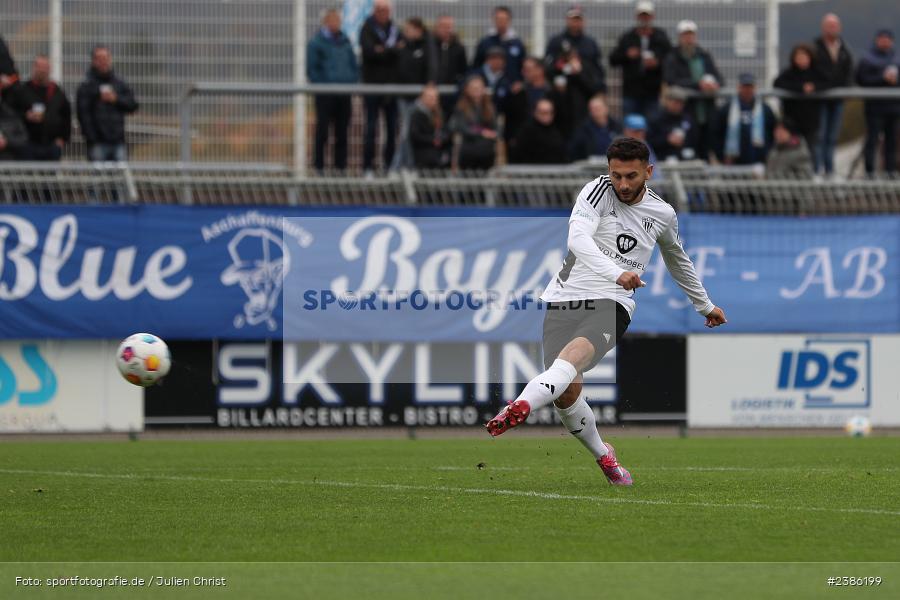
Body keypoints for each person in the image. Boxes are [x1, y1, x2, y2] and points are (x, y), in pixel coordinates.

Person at [485, 137, 727, 486]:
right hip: (565, 297)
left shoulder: (662, 213)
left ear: (648, 172)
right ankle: (604, 455)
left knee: (571, 359)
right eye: (616, 175)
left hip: (613, 301)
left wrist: (704, 304)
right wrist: (617, 271)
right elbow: (577, 239)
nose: (622, 184)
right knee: (566, 392)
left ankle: (519, 406)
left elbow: (677, 260)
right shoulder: (596, 191)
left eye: (631, 176)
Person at [307, 8, 358, 172]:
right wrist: (324, 85)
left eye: (338, 20)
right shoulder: (316, 43)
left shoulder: (346, 42)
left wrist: (350, 82)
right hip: (325, 95)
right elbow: (312, 70)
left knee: (342, 133)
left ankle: (340, 169)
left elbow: (354, 66)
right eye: (332, 20)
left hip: (344, 94)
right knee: (322, 131)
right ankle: (319, 168)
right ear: (325, 22)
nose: (336, 23)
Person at [663, 20, 722, 159]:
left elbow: (718, 77)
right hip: (686, 110)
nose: (688, 38)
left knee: (706, 147)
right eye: (685, 35)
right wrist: (697, 85)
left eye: (691, 35)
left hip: (706, 110)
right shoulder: (672, 57)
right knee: (688, 147)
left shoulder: (704, 56)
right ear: (679, 37)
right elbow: (671, 80)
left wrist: (714, 84)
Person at [359, 0, 401, 173]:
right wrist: (390, 50)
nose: (383, 12)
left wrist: (382, 50)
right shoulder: (367, 28)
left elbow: (400, 51)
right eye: (379, 9)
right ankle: (367, 168)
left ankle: (389, 167)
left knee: (392, 129)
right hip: (372, 87)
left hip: (391, 88)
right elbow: (369, 52)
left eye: (385, 9)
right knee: (371, 128)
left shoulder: (395, 29)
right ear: (374, 10)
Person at [609, 1, 671, 118]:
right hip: (631, 93)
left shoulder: (661, 37)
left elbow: (670, 58)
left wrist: (657, 62)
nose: (644, 19)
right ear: (637, 17)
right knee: (630, 125)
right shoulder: (628, 37)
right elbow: (613, 59)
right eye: (642, 15)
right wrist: (627, 55)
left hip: (652, 93)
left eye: (647, 16)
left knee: (652, 124)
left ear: (652, 17)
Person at [76, 46, 138, 161]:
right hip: (97, 144)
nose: (103, 61)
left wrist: (116, 99)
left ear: (110, 59)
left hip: (118, 141)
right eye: (99, 58)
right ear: (93, 61)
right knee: (99, 173)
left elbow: (133, 105)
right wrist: (92, 138)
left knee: (120, 172)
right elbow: (83, 115)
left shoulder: (119, 83)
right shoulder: (86, 86)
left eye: (105, 58)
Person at [391, 17, 438, 170]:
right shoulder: (402, 45)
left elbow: (431, 65)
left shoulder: (426, 44)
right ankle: (402, 167)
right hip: (404, 97)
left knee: (408, 134)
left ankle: (399, 168)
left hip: (418, 98)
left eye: (409, 29)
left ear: (418, 30)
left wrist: (429, 85)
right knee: (405, 134)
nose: (406, 32)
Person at [813, 13, 853, 176]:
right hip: (820, 99)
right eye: (829, 25)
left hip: (837, 100)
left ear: (840, 28)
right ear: (823, 28)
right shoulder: (815, 48)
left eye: (834, 25)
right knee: (820, 136)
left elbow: (849, 72)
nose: (832, 28)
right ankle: (817, 170)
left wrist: (846, 89)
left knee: (832, 137)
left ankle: (830, 171)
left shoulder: (845, 49)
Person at [11, 55, 71, 161]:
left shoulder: (57, 92)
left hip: (52, 145)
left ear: (50, 69)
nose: (42, 70)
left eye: (45, 67)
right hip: (27, 145)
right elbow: (11, 114)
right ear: (33, 68)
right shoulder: (22, 91)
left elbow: (66, 116)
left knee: (50, 172)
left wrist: (63, 139)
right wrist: (26, 116)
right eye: (39, 66)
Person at [856, 29, 899, 176]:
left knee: (892, 141)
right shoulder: (867, 59)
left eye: (888, 39)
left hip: (894, 108)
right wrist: (882, 79)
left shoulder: (896, 59)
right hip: (875, 108)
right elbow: (861, 80)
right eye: (882, 39)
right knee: (872, 140)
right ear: (877, 40)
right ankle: (870, 172)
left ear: (892, 41)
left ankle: (890, 171)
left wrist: (894, 81)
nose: (885, 42)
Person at [773, 44, 827, 158]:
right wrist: (801, 88)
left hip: (812, 122)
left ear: (810, 57)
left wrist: (814, 87)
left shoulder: (817, 72)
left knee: (812, 152)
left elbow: (828, 83)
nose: (802, 59)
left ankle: (814, 169)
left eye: (804, 56)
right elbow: (777, 83)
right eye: (799, 56)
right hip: (792, 121)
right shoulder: (789, 73)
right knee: (792, 152)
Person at [713, 73, 776, 166]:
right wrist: (721, 156)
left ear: (754, 88)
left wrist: (768, 153)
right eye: (744, 87)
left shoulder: (765, 109)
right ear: (739, 88)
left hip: (759, 158)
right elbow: (717, 133)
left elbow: (772, 132)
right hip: (733, 159)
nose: (747, 90)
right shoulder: (726, 109)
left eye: (750, 87)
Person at [448, 74, 499, 171]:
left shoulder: (490, 107)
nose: (476, 90)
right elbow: (461, 127)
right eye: (473, 88)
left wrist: (488, 133)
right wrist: (482, 132)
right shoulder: (461, 107)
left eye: (479, 87)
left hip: (487, 151)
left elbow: (495, 128)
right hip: (469, 150)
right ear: (467, 89)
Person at [504, 56, 555, 148]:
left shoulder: (552, 92)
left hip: (547, 142)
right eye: (523, 69)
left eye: (527, 70)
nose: (523, 72)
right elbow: (511, 118)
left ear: (539, 70)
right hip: (523, 142)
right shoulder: (519, 92)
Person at [473, 6, 526, 82]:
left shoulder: (517, 43)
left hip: (511, 86)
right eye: (498, 19)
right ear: (493, 20)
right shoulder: (485, 42)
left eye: (504, 19)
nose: (501, 22)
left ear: (509, 20)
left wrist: (519, 81)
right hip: (488, 85)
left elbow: (522, 66)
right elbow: (476, 65)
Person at [647, 86, 698, 161]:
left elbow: (695, 139)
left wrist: (684, 141)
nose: (678, 105)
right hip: (662, 158)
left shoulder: (688, 119)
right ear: (667, 101)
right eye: (675, 102)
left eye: (681, 103)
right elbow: (649, 142)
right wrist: (667, 140)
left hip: (686, 157)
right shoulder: (656, 119)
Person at [510, 98, 567, 164]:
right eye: (543, 112)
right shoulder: (526, 132)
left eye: (550, 112)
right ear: (535, 112)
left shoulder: (556, 131)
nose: (547, 116)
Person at [433, 15, 468, 119]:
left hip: (452, 95)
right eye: (443, 26)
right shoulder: (430, 46)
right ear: (437, 27)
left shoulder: (459, 47)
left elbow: (464, 70)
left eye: (449, 26)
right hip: (433, 94)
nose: (446, 29)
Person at [409, 84, 448, 170]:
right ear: (422, 98)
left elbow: (446, 131)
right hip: (423, 152)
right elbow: (415, 135)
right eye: (430, 97)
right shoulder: (417, 114)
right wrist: (433, 140)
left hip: (438, 149)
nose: (433, 100)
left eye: (435, 97)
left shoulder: (440, 114)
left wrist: (442, 139)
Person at [569, 94, 620, 161]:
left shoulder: (616, 126)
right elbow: (573, 150)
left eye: (598, 108)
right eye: (592, 109)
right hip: (590, 165)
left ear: (606, 108)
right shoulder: (583, 129)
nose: (595, 111)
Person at [477, 46, 513, 116]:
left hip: (499, 115)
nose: (497, 61)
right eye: (493, 58)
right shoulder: (476, 75)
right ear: (487, 60)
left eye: (500, 59)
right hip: (477, 115)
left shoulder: (508, 78)